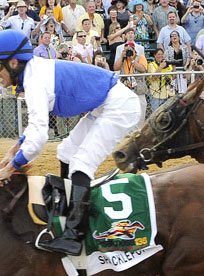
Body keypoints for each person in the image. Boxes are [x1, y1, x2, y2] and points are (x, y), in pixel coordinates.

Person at [0, 29, 140, 256]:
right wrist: (13, 152)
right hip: (106, 103)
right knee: (66, 151)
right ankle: (67, 214)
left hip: (118, 106)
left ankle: (75, 235)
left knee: (81, 164)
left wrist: (12, 167)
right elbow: (33, 130)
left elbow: (38, 139)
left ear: (14, 63)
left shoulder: (35, 81)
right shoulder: (33, 73)